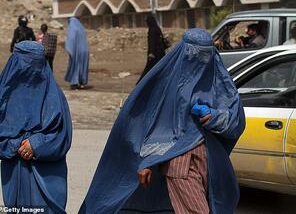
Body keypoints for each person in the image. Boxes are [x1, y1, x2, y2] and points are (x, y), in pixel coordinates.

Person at [78, 28, 245, 214]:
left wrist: (216, 118)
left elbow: (235, 121)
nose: (200, 60)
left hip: (211, 162)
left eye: (206, 54)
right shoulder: (168, 84)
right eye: (195, 54)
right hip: (180, 162)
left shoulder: (219, 82)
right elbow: (153, 123)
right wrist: (148, 161)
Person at [0, 41, 72, 214]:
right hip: (14, 174)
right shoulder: (3, 96)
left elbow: (63, 136)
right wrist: (16, 145)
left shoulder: (54, 96)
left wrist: (36, 143)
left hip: (47, 176)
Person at [137, 14, 167, 84]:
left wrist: (151, 53)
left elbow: (152, 42)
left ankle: (141, 84)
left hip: (154, 54)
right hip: (161, 53)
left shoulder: (152, 30)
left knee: (149, 70)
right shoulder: (157, 29)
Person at [65, 17, 89, 90]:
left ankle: (74, 83)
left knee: (75, 66)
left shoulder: (72, 27)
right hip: (85, 51)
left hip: (77, 50)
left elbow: (71, 38)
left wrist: (69, 49)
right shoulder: (81, 27)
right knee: (83, 67)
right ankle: (82, 83)